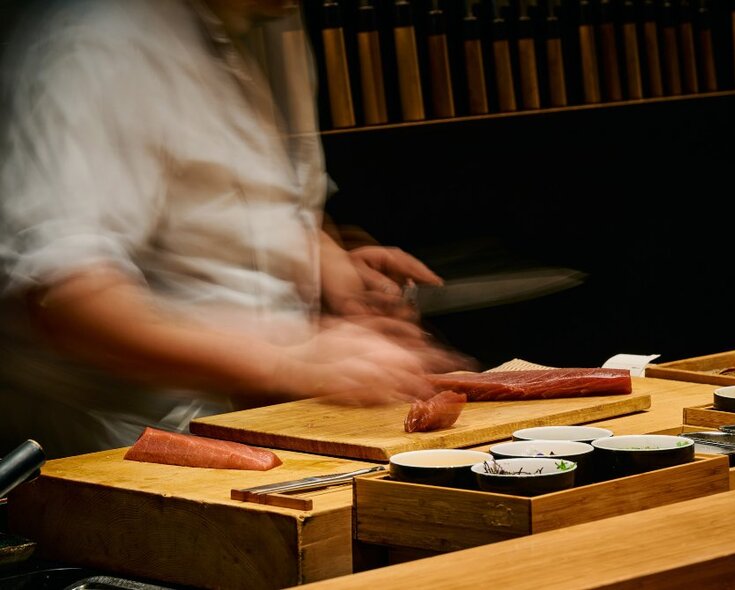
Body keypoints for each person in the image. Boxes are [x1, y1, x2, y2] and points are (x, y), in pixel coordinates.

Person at [0, 0, 469, 458]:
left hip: (253, 428)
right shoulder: (95, 44)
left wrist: (326, 261)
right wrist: (291, 361)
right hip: (122, 450)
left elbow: (245, 200)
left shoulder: (263, 24)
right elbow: (68, 300)